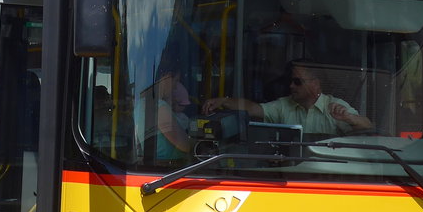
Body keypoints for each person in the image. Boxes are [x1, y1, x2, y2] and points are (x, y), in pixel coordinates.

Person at [202, 60, 372, 136]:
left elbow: (369, 127)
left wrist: (349, 118)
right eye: (290, 81)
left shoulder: (335, 107)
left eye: (297, 82)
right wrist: (224, 101)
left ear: (315, 84)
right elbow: (252, 108)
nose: (291, 86)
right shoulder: (284, 105)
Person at [152, 64, 193, 159]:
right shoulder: (160, 107)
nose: (175, 87)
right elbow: (184, 145)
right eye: (176, 81)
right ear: (167, 77)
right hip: (168, 169)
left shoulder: (143, 103)